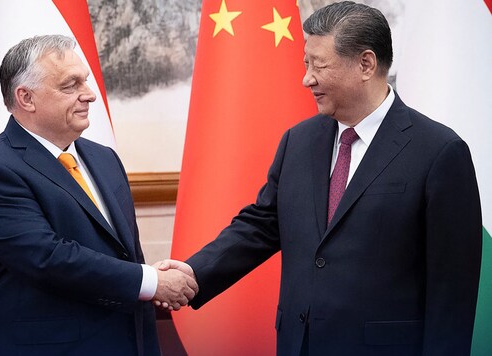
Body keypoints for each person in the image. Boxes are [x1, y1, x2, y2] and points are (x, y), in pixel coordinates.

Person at [157, 2, 482, 355]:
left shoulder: (438, 152)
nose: (306, 78)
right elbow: (262, 224)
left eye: (319, 65)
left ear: (366, 64)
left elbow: (452, 292)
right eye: (305, 63)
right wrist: (193, 273)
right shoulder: (299, 141)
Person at [0, 35, 197, 355]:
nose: (90, 95)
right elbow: (49, 258)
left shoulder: (103, 158)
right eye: (71, 85)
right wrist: (151, 281)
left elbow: (119, 254)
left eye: (85, 81)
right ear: (26, 98)